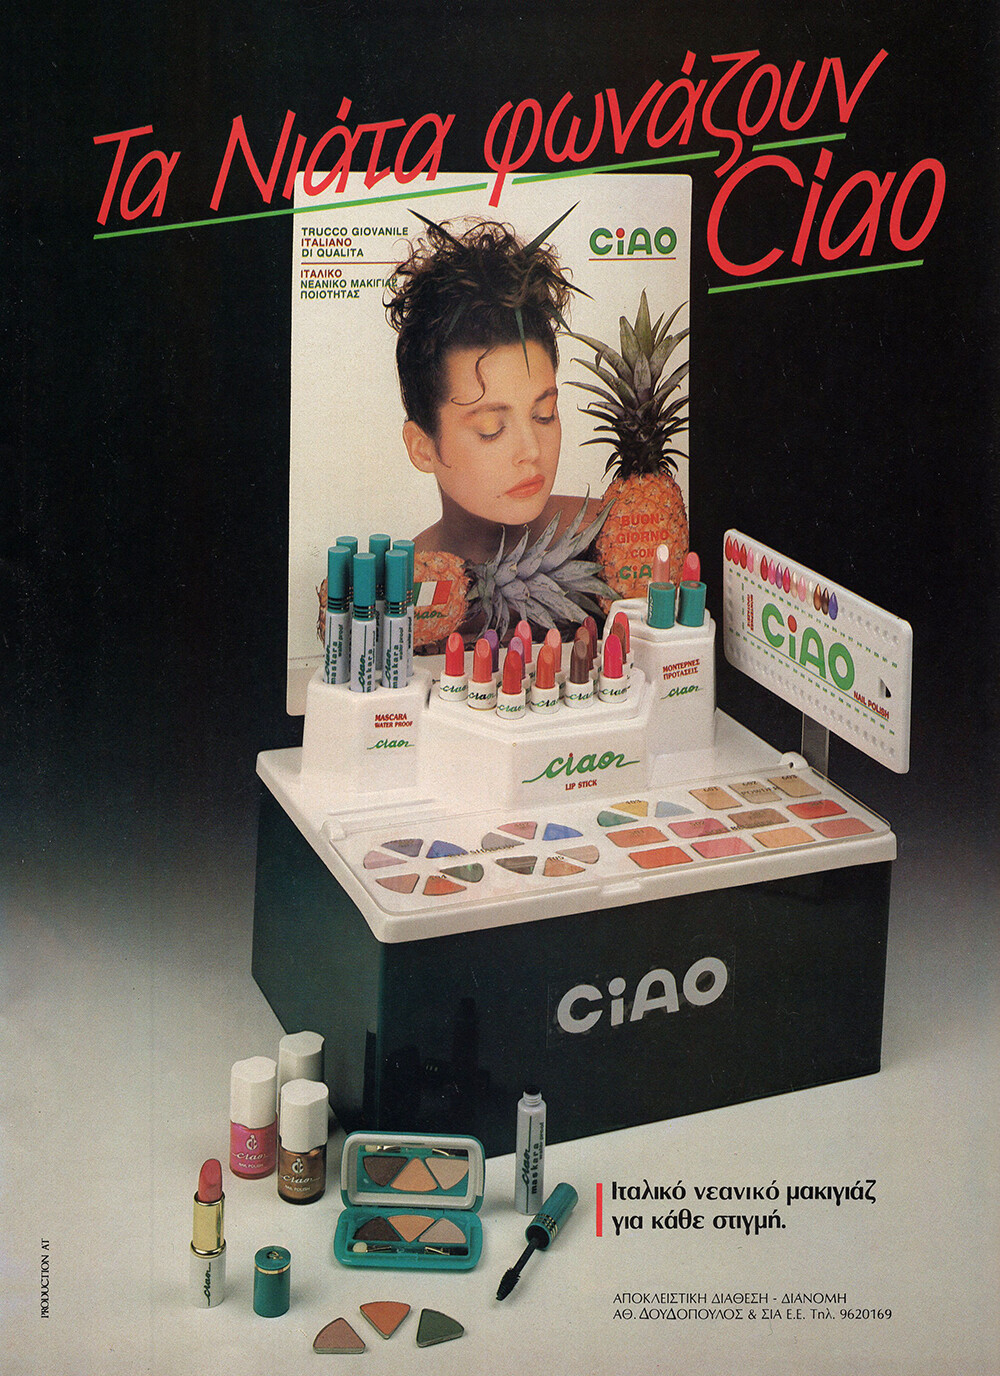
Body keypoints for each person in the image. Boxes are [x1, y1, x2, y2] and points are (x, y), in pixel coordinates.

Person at [387, 218, 603, 567]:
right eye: (491, 429)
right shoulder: (397, 583)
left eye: (544, 415)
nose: (531, 451)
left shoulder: (621, 538)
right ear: (422, 448)